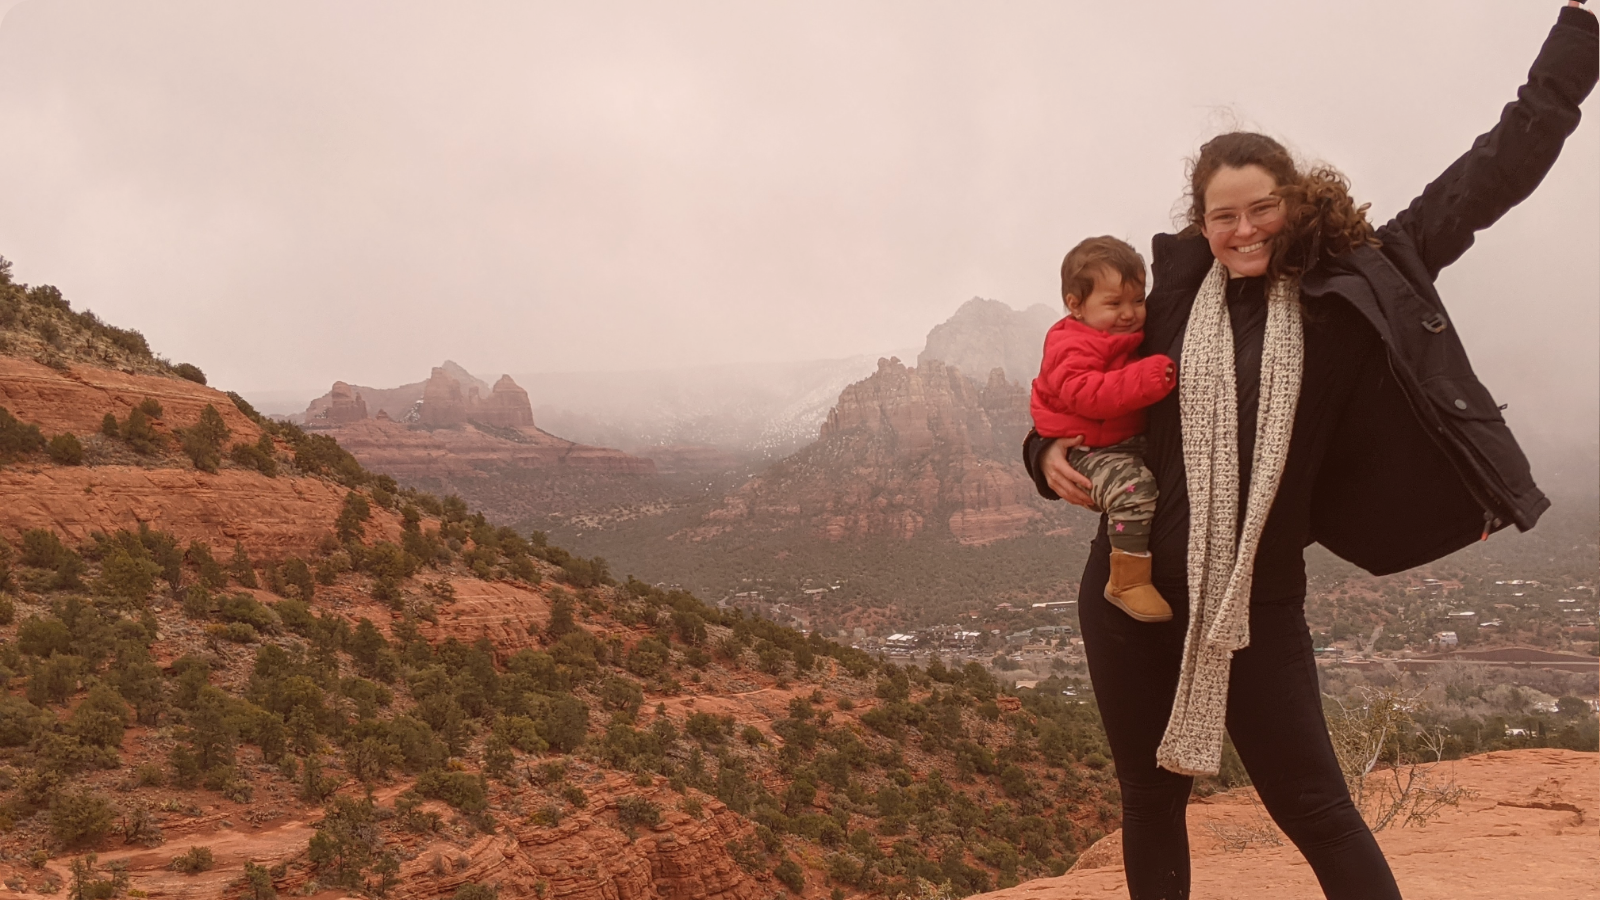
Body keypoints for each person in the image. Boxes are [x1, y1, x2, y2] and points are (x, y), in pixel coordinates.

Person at [1019, 6, 1596, 899]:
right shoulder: (1170, 299)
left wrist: (1580, 33)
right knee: (1149, 796)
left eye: (1262, 208)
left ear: (1293, 201)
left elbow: (1495, 170)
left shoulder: (1353, 286)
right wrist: (1041, 449)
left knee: (1317, 808)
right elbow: (1079, 380)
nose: (1244, 229)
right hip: (1128, 590)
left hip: (1257, 600)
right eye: (1223, 216)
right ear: (1201, 222)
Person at [1030, 236, 1176, 622]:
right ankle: (1127, 580)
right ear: (1075, 304)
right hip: (1089, 449)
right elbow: (1087, 395)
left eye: (1138, 300)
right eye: (1114, 304)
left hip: (1115, 440)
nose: (1129, 313)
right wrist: (1148, 377)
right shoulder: (1071, 344)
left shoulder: (1111, 334)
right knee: (1134, 490)